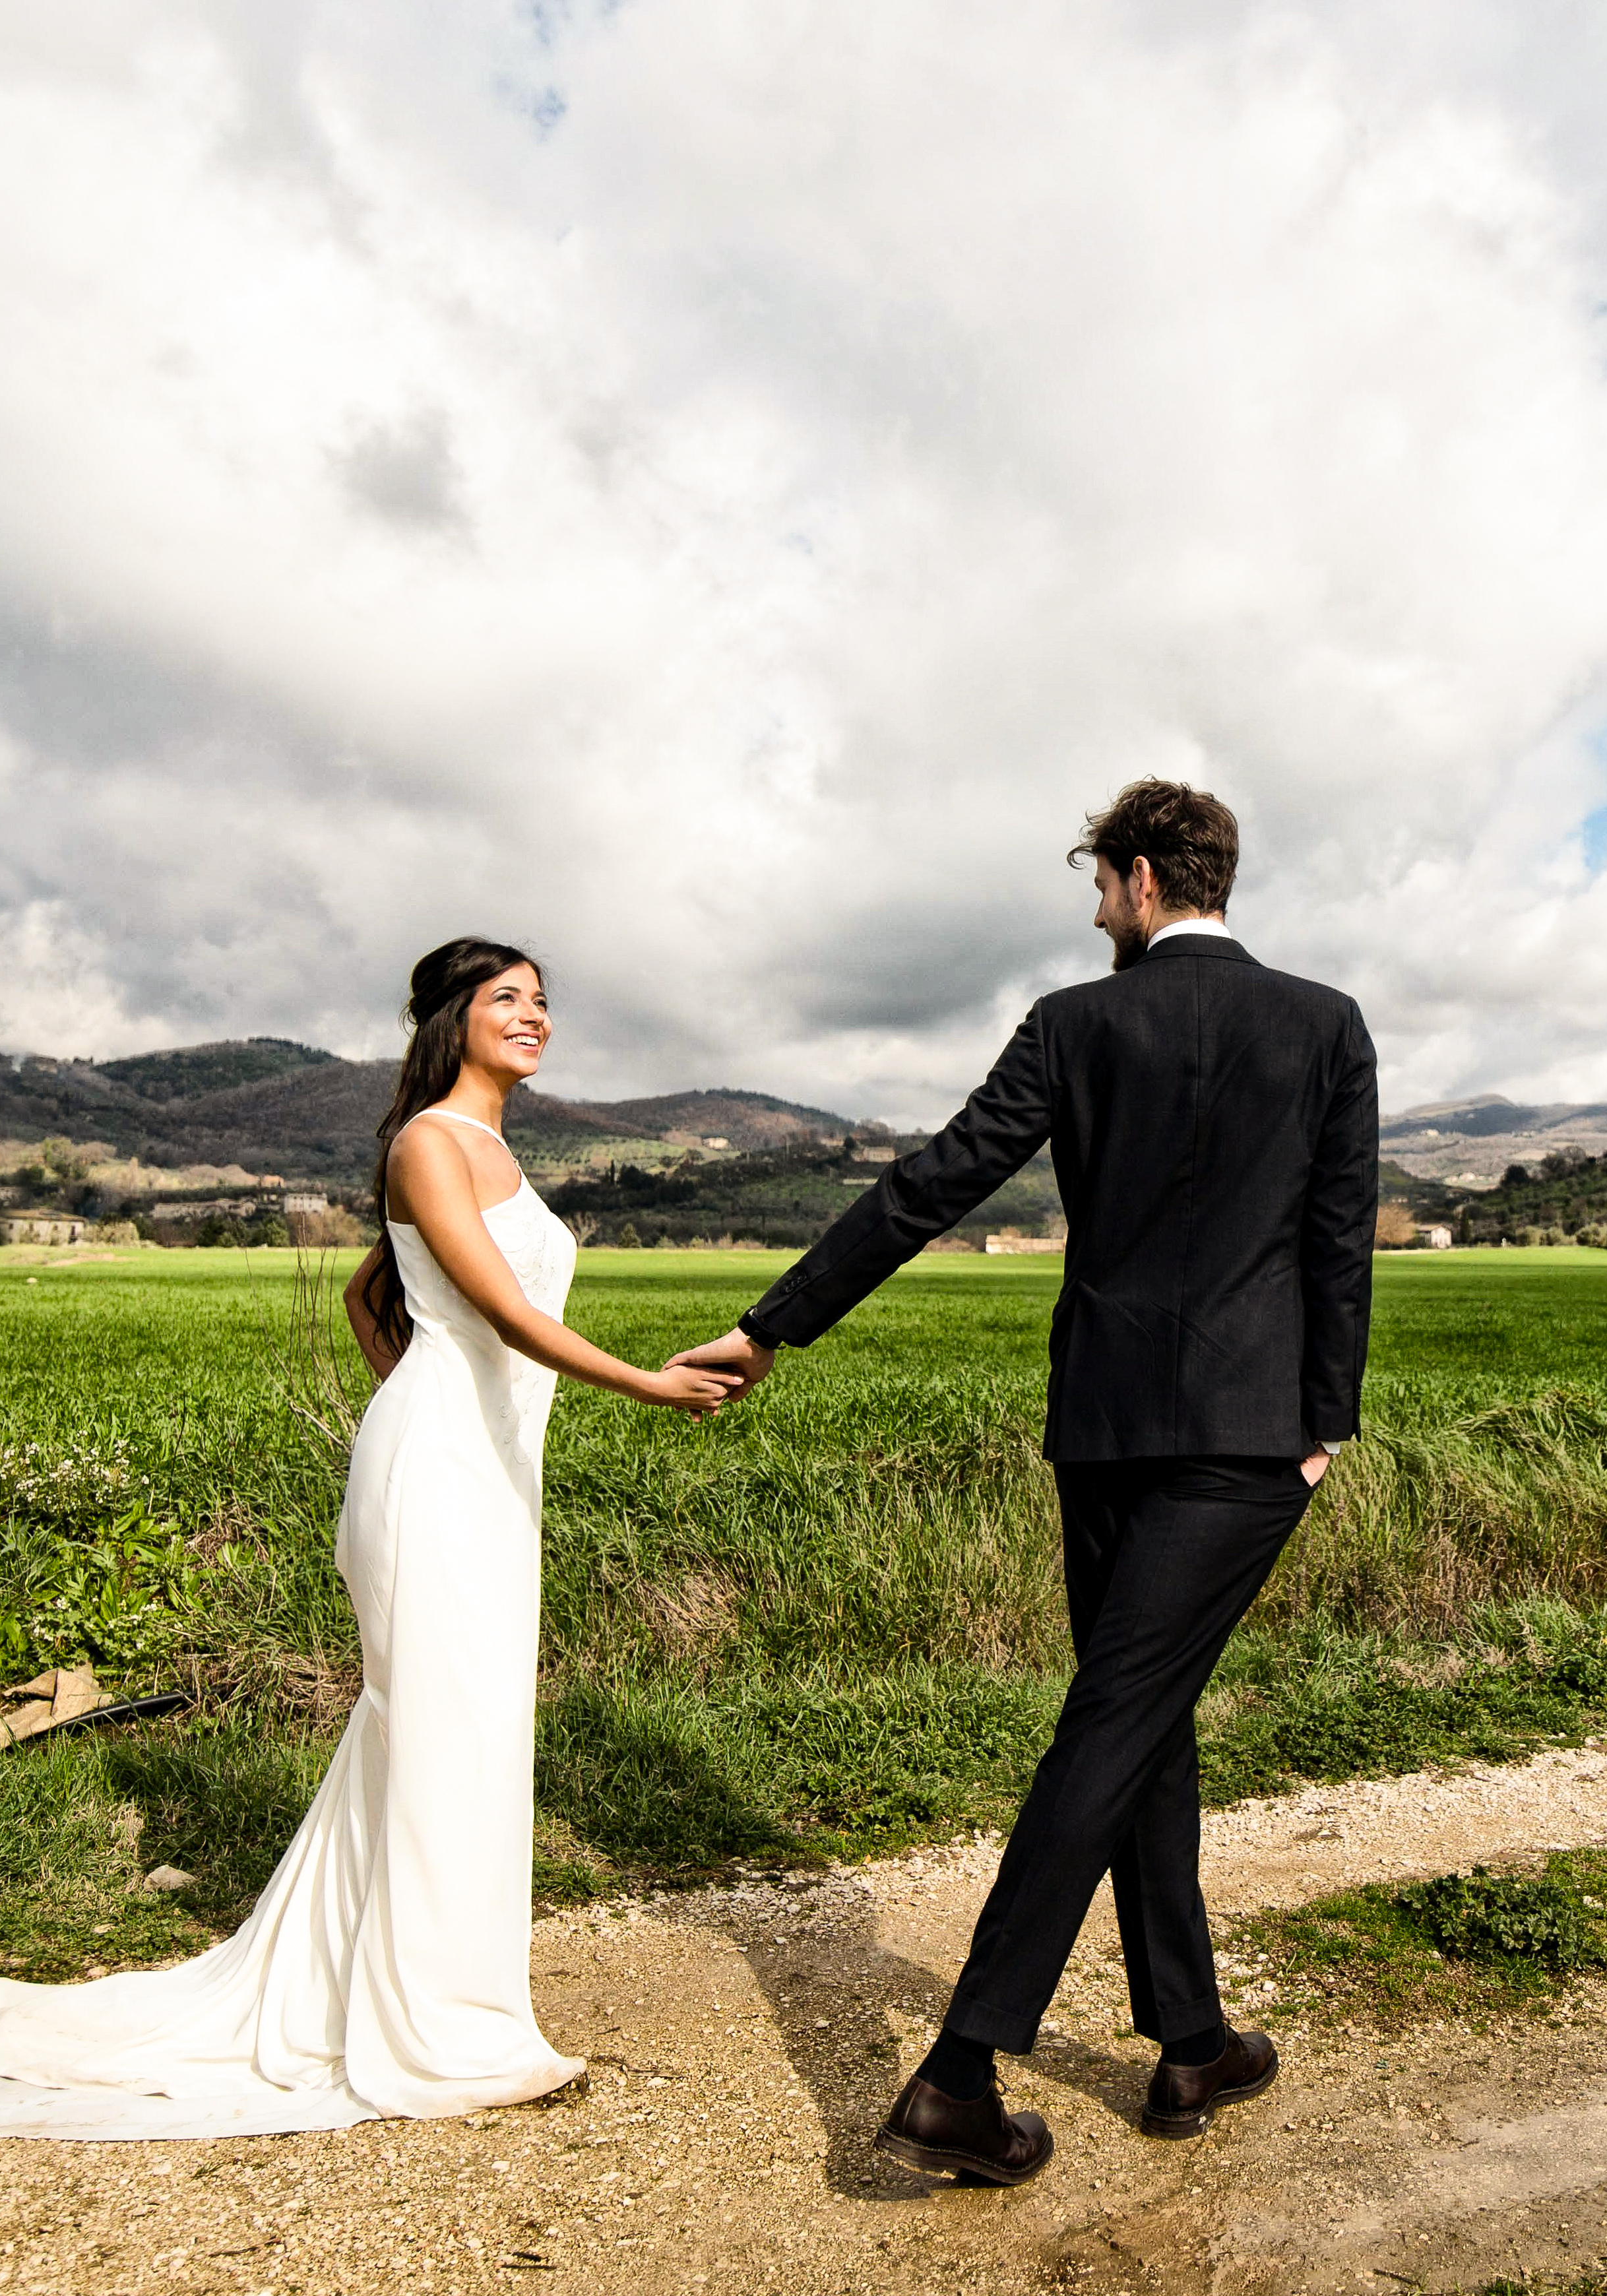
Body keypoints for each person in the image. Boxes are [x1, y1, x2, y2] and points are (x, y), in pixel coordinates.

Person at [0, 939, 740, 2140]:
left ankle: (434, 2001)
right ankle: (436, 2030)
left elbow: (365, 1294)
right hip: (437, 1476)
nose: (536, 1016)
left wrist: (443, 1390)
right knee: (443, 1726)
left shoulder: (491, 1150)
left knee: (474, 1729)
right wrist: (616, 1387)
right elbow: (496, 1306)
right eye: (509, 999)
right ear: (452, 1019)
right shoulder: (431, 1141)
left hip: (485, 1470)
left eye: (545, 1001)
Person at [668, 779, 1377, 2186]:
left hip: (1103, 1432)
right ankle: (958, 2071)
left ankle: (1192, 2040)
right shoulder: (1325, 1024)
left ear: (1135, 879)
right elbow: (1336, 1235)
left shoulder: (1073, 1023)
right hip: (1245, 1442)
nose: (1094, 908)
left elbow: (930, 1186)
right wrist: (1324, 1426)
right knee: (1125, 1719)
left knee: (1134, 1712)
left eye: (1097, 885)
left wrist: (774, 1324)